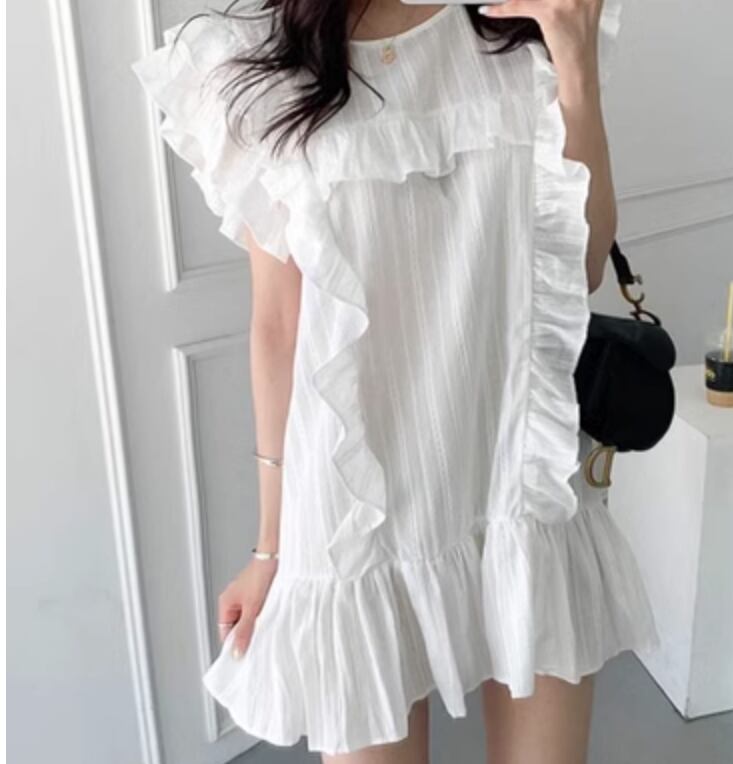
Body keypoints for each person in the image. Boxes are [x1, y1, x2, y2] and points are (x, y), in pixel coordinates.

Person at [131, 1, 660, 761]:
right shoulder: (255, 63)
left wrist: (574, 61)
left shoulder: (532, 27)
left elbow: (581, 266)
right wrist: (271, 548)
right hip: (357, 520)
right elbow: (279, 324)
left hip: (517, 488)